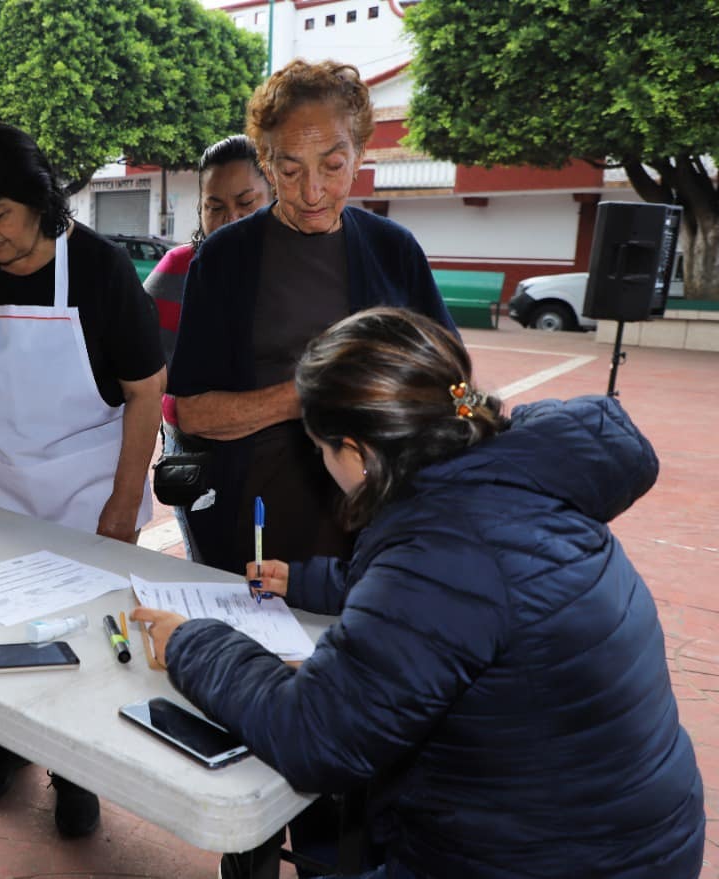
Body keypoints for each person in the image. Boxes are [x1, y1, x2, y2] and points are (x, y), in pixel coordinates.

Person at [135, 307, 706, 879]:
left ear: (356, 452)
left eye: (321, 448)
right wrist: (308, 582)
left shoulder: (443, 550)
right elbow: (473, 602)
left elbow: (315, 736)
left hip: (552, 858)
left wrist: (191, 641)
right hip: (621, 831)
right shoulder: (504, 481)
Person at [0, 121, 165, 837]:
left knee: (84, 639)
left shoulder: (102, 271)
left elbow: (147, 392)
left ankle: (76, 767)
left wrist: (120, 505)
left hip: (88, 488)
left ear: (39, 201)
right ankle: (9, 740)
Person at [167, 60, 457, 577]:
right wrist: (311, 394)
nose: (313, 192)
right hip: (255, 516)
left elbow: (451, 381)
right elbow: (193, 414)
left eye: (333, 165)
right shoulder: (225, 258)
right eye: (290, 169)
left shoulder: (394, 249)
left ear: (360, 154)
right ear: (266, 162)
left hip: (377, 516)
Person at [144, 135, 272, 558]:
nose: (229, 219)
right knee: (210, 569)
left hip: (280, 458)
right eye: (214, 206)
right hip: (197, 458)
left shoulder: (300, 273)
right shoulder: (177, 269)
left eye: (246, 203)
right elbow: (141, 374)